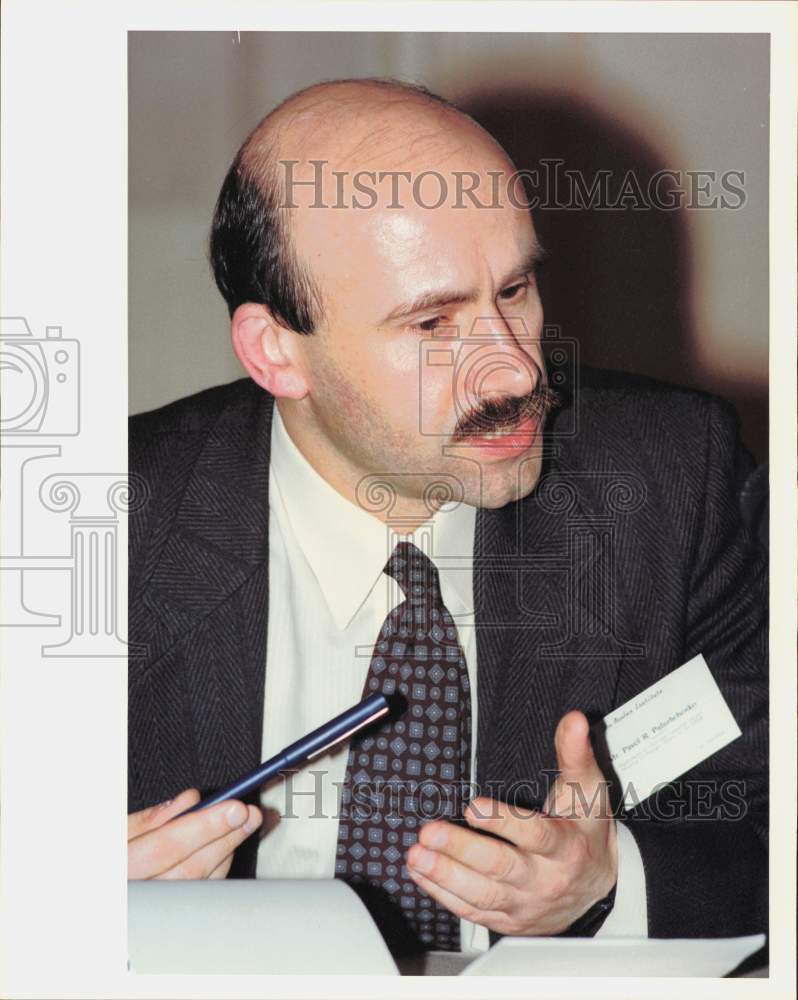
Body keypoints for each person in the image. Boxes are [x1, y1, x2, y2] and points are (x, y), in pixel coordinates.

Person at [127, 78, 767, 955]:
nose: (511, 373)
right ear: (274, 351)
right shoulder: (105, 522)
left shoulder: (672, 481)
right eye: (432, 324)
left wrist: (610, 877)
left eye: (514, 291)